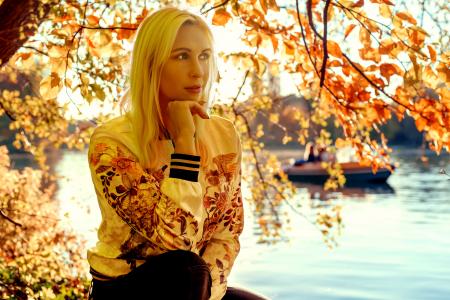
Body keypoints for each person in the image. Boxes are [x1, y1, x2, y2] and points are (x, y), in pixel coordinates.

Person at [87, 7, 268, 300]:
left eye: (205, 56)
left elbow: (227, 233)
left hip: (198, 286)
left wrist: (210, 294)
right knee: (185, 268)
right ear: (152, 64)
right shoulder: (112, 143)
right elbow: (176, 241)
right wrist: (184, 144)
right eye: (182, 56)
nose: (198, 70)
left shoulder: (223, 134)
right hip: (126, 288)